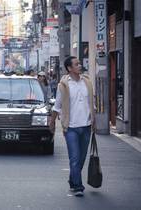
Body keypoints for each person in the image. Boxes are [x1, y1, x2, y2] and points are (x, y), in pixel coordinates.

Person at [49, 56, 95, 197]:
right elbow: (57, 106)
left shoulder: (86, 82)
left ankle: (72, 179)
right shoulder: (63, 85)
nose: (80, 65)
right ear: (69, 68)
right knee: (74, 158)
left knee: (81, 159)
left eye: (79, 63)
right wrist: (52, 123)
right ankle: (78, 186)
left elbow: (91, 103)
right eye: (77, 64)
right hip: (71, 128)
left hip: (86, 126)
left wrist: (95, 121)